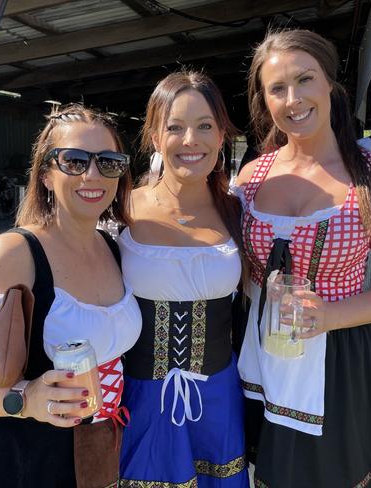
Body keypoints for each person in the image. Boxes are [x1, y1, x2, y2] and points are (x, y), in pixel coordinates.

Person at [0, 104, 142, 488]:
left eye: (109, 162)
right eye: (75, 161)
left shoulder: (113, 247)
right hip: (12, 465)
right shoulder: (14, 252)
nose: (93, 174)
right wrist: (22, 399)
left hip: (93, 458)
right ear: (47, 174)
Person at [233, 29, 371, 487]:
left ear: (330, 86)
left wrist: (330, 315)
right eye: (277, 88)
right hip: (262, 350)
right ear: (264, 98)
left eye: (305, 80)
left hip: (338, 359)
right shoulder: (250, 178)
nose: (293, 98)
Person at [118, 71, 249, 487]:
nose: (191, 140)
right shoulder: (118, 211)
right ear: (155, 137)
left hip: (219, 396)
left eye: (205, 126)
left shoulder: (241, 211)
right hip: (140, 398)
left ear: (222, 135)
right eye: (175, 127)